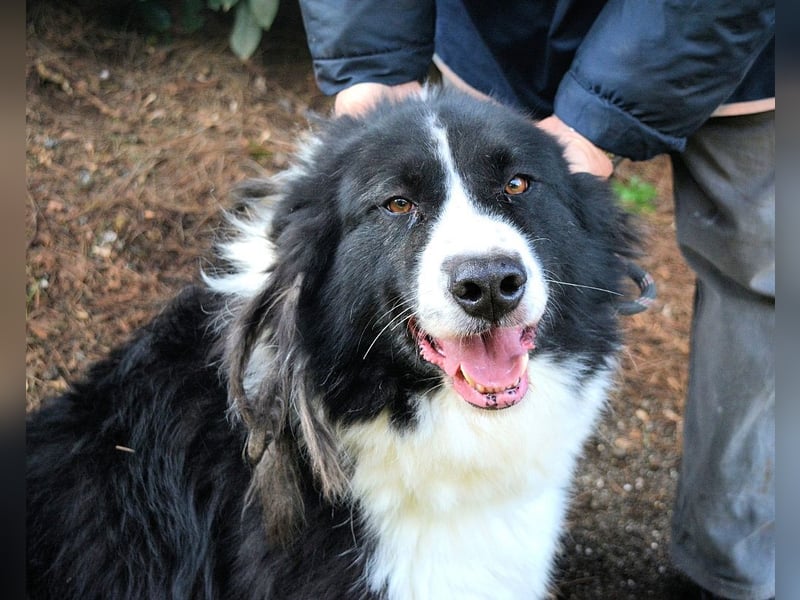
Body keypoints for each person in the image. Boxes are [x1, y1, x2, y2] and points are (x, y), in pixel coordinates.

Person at [296, 1, 775, 599]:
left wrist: (598, 120)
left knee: (767, 274)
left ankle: (736, 570)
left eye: (517, 188)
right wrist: (371, 66)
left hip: (730, 38)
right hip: (507, 34)